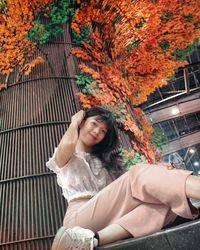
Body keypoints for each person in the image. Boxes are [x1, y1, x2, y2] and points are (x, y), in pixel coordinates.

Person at [46, 106, 199, 250]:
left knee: (166, 199)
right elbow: (68, 143)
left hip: (105, 220)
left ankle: (90, 240)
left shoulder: (106, 163)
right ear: (82, 122)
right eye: (94, 124)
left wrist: (162, 171)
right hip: (79, 217)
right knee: (137, 175)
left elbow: (132, 187)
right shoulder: (66, 156)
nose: (97, 131)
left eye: (103, 131)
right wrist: (74, 122)